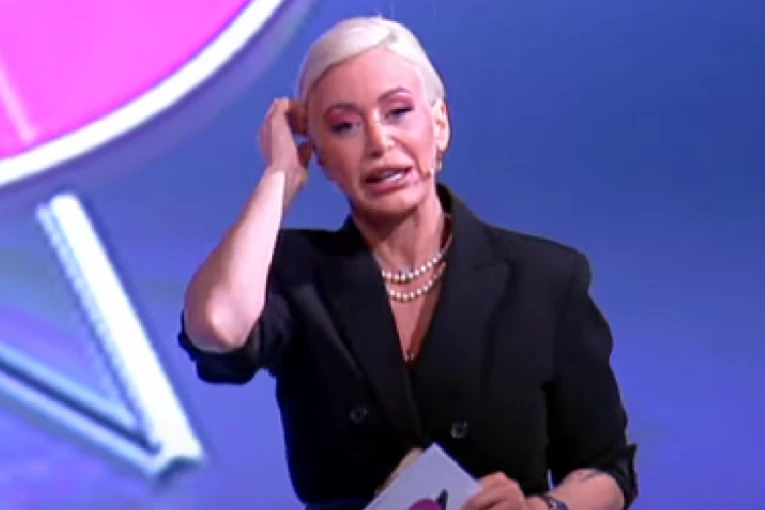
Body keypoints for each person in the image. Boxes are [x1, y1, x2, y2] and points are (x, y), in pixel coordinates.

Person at [178, 15, 638, 510]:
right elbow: (218, 326)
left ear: (439, 125)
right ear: (323, 156)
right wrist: (279, 176)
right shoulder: (298, 275)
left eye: (397, 112)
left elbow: (606, 469)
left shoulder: (544, 279)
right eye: (345, 126)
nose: (379, 143)